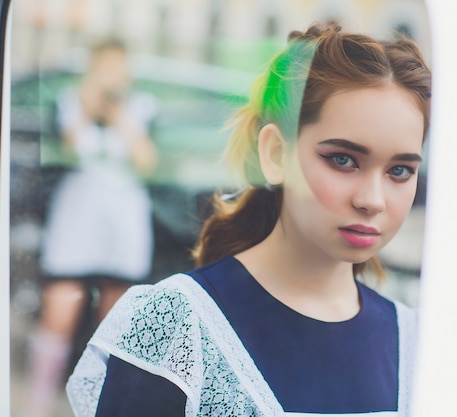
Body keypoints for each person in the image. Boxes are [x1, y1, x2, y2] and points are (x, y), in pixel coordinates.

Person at [66, 21, 431, 417]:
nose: (372, 200)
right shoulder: (177, 324)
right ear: (275, 154)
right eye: (342, 160)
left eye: (399, 171)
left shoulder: (417, 342)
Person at [26, 39, 158, 417]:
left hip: (123, 218)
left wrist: (120, 117)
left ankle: (101, 402)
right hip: (78, 215)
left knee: (115, 316)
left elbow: (147, 161)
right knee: (60, 305)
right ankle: (38, 401)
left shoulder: (143, 107)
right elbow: (66, 147)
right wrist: (89, 103)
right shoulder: (69, 101)